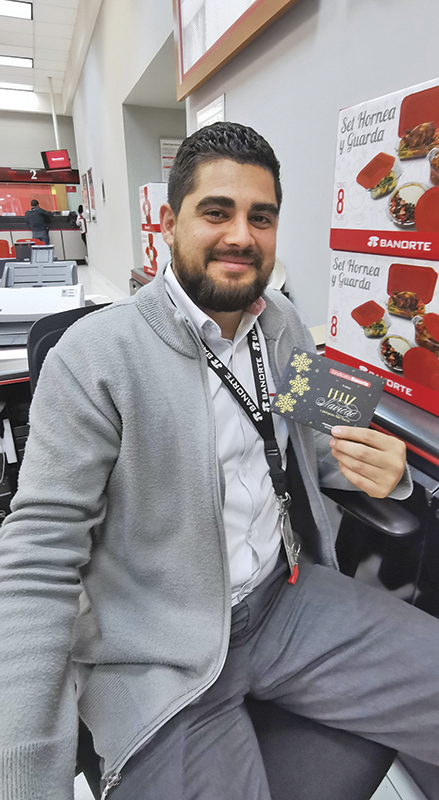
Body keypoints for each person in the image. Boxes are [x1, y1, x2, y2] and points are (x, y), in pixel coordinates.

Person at [0, 122, 438, 800]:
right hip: (158, 648)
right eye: (216, 212)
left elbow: (314, 449)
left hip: (286, 601)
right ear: (168, 224)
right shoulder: (93, 358)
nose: (241, 235)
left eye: (260, 217)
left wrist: (391, 474)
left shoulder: (281, 326)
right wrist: (28, 772)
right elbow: (37, 561)